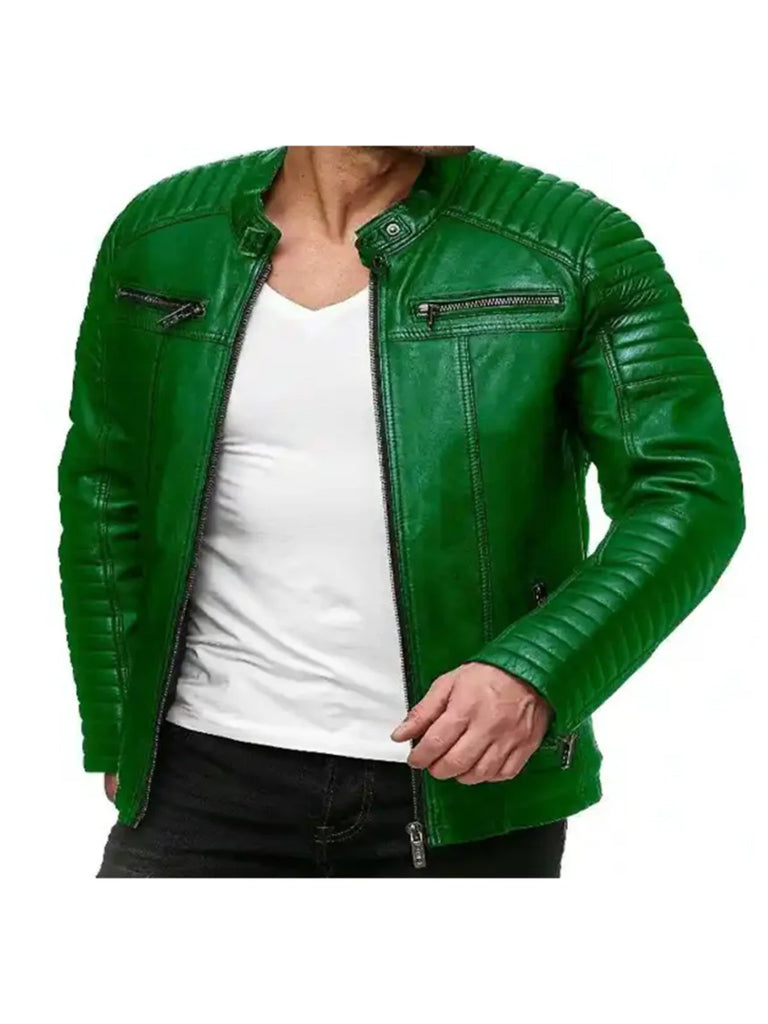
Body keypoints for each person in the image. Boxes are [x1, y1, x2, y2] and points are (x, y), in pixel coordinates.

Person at [57, 145, 745, 877]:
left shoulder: (571, 243)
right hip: (198, 775)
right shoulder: (163, 235)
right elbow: (105, 487)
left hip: (465, 783)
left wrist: (539, 670)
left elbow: (687, 488)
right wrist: (117, 724)